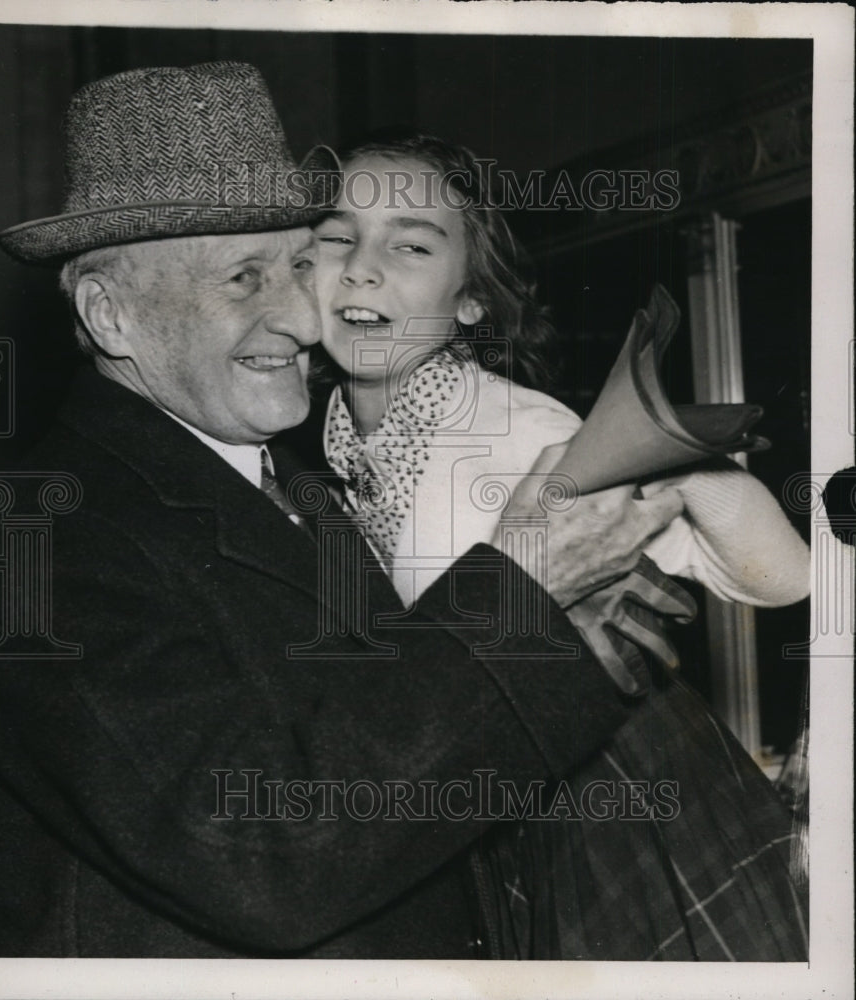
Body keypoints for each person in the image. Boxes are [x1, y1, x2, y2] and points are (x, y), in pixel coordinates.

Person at [0, 63, 687, 959]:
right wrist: (519, 589)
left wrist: (559, 636)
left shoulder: (300, 477)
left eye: (301, 265)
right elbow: (260, 856)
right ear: (111, 316)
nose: (305, 322)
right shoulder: (30, 540)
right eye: (242, 279)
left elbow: (385, 744)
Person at [313, 132, 811, 959]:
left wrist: (676, 467)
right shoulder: (324, 451)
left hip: (611, 801)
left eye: (410, 243)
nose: (363, 266)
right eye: (337, 238)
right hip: (493, 807)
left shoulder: (520, 429)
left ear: (470, 301)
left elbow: (784, 577)